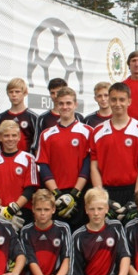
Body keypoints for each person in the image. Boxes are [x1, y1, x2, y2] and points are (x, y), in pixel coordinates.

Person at [89, 82, 138, 214]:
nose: (118, 104)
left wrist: (136, 198)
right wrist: (102, 197)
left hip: (132, 190)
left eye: (122, 99)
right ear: (109, 101)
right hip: (106, 191)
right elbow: (94, 166)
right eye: (114, 99)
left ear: (129, 101)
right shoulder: (98, 131)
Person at [36, 86, 93, 231]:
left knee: (80, 235)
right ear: (56, 105)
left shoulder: (87, 131)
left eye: (68, 103)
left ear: (75, 104)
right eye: (61, 103)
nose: (65, 107)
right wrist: (57, 194)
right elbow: (43, 165)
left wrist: (74, 193)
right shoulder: (46, 134)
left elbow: (88, 164)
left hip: (79, 194)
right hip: (56, 196)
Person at [0, 120, 39, 228]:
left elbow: (30, 188)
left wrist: (13, 209)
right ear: (0, 137)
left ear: (19, 137)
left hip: (22, 213)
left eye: (13, 135)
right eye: (6, 136)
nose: (10, 139)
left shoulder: (28, 158)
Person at [0, 78, 38, 153]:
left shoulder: (33, 117)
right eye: (11, 92)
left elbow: (37, 144)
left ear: (25, 93)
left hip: (26, 161)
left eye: (17, 92)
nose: (14, 95)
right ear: (7, 93)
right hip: (5, 161)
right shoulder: (0, 118)